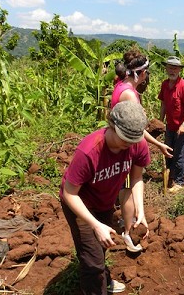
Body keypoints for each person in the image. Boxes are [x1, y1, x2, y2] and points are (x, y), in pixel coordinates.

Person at [60, 101, 151, 294]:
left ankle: (104, 278)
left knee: (100, 247)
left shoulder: (138, 143)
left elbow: (136, 178)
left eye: (133, 140)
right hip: (80, 204)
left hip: (104, 202)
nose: (129, 144)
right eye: (125, 139)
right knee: (92, 261)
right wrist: (95, 224)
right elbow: (69, 193)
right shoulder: (89, 151)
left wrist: (140, 212)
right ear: (111, 125)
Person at [112, 49, 172, 252]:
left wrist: (156, 144)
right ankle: (129, 232)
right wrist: (156, 143)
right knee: (128, 187)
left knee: (129, 185)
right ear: (142, 73)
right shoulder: (129, 94)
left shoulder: (122, 86)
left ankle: (131, 222)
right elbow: (135, 128)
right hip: (128, 146)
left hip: (128, 143)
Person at [158, 56, 184, 192]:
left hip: (182, 127)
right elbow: (163, 104)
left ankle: (179, 182)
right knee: (168, 151)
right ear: (166, 68)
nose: (172, 70)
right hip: (170, 125)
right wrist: (160, 121)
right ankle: (170, 176)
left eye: (175, 68)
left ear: (179, 70)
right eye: (170, 67)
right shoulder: (164, 84)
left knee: (180, 153)